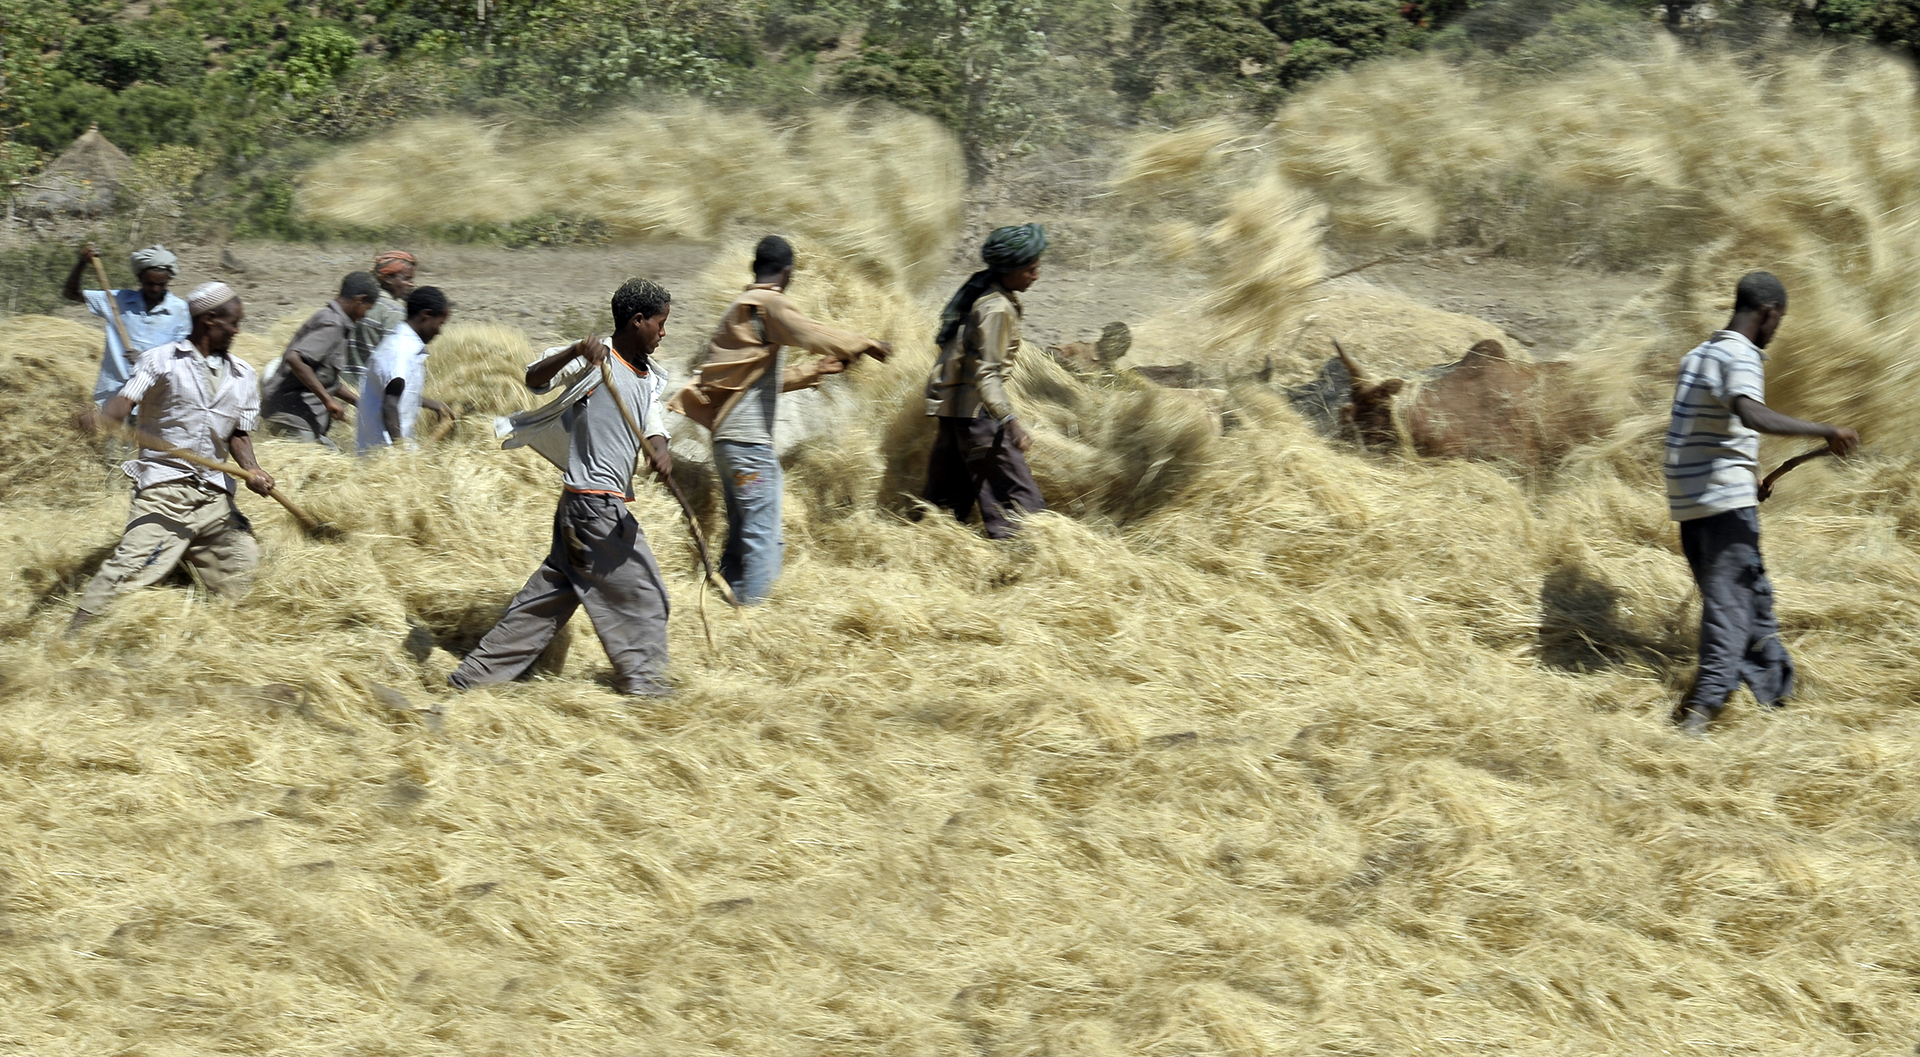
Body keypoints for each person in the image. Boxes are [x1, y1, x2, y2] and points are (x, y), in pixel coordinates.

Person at [449, 278, 677, 699]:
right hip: (594, 507)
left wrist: (660, 453)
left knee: (547, 602)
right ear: (637, 320)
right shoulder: (596, 359)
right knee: (646, 595)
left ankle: (473, 678)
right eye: (660, 323)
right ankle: (648, 689)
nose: (664, 332)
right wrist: (575, 351)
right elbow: (534, 379)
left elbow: (654, 427)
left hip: (585, 507)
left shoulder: (647, 378)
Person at [1665, 271, 1859, 735]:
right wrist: (1825, 431)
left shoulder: (1699, 355)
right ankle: (1701, 715)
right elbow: (1749, 412)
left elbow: (1706, 430)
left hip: (1692, 502)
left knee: (1752, 602)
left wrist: (1750, 478)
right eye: (1779, 321)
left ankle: (1777, 699)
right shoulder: (1742, 354)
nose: (1777, 330)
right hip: (1721, 506)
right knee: (1731, 609)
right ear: (1769, 313)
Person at [668, 235, 892, 604]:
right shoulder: (768, 304)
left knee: (742, 529)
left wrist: (814, 371)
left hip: (728, 447)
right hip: (750, 450)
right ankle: (754, 612)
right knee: (763, 532)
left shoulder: (740, 310)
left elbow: (756, 381)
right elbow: (811, 332)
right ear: (788, 272)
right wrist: (863, 343)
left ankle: (726, 599)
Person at [68, 282, 274, 633]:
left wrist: (252, 469)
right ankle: (74, 636)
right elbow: (125, 402)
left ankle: (211, 620)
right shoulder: (161, 360)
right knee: (129, 565)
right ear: (210, 320)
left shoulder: (243, 374)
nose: (238, 329)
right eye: (233, 322)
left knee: (244, 567)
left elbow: (239, 433)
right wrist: (104, 419)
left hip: (214, 497)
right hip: (165, 489)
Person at [922, 223, 1049, 539]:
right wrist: (1009, 421)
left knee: (948, 499)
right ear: (1010, 270)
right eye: (1030, 269)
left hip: (954, 411)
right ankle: (1024, 558)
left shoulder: (982, 295)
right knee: (1020, 499)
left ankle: (935, 550)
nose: (1036, 276)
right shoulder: (997, 309)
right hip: (977, 414)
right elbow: (987, 372)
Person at [62, 243, 190, 407]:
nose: (155, 288)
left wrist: (145, 361)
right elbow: (70, 293)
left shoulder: (180, 311)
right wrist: (82, 263)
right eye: (150, 283)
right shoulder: (118, 300)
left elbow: (182, 358)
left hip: (151, 401)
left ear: (169, 280)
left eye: (161, 284)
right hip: (111, 395)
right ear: (140, 279)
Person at [261, 272, 377, 447]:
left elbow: (323, 378)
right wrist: (328, 400)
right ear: (360, 300)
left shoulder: (333, 321)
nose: (364, 316)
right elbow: (295, 359)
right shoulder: (332, 325)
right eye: (367, 309)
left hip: (304, 419)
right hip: (291, 417)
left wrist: (358, 403)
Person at [356, 286, 456, 454]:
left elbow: (397, 392)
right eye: (439, 324)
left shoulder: (405, 346)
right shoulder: (400, 350)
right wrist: (400, 450)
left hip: (388, 450)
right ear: (426, 315)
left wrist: (433, 404)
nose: (439, 332)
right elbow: (389, 404)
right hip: (383, 453)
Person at [352, 250, 417, 381]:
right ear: (388, 279)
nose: (412, 284)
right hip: (371, 392)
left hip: (343, 390)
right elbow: (394, 362)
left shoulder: (356, 302)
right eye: (407, 278)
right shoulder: (393, 311)